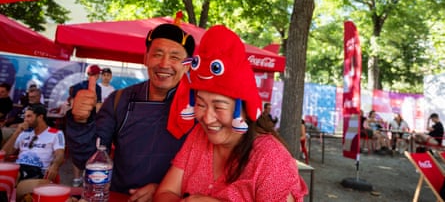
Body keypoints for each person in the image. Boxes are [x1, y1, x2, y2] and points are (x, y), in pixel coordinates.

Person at [154, 25, 307, 201]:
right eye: (201, 104)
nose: (207, 118)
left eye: (219, 107)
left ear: (245, 109)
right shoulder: (199, 136)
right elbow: (164, 193)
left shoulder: (272, 159)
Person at [66, 23, 195, 200]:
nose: (164, 64)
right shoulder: (119, 100)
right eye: (157, 54)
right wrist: (80, 122)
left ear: (187, 65)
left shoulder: (200, 107)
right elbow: (87, 159)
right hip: (121, 197)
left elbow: (212, 171)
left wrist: (167, 191)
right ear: (146, 58)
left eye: (175, 57)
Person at [1, 104, 65, 182]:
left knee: (12, 175)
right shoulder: (24, 133)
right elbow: (4, 153)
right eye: (25, 117)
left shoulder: (56, 133)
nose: (25, 120)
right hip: (19, 167)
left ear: (40, 117)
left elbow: (60, 155)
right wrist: (16, 132)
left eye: (29, 116)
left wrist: (55, 166)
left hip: (38, 170)